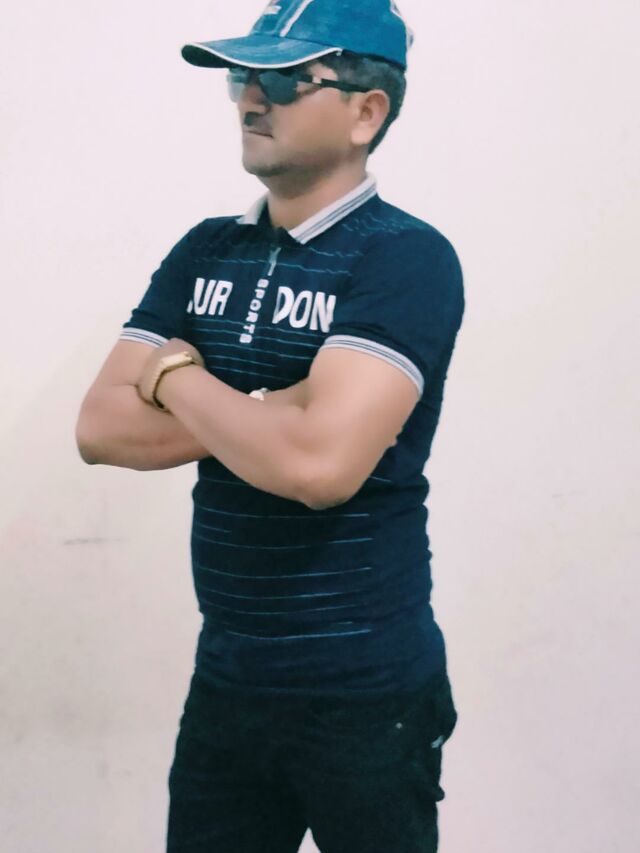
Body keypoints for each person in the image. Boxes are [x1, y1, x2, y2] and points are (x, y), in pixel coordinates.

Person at [75, 1, 464, 850]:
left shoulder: (404, 257)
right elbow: (99, 425)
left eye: (285, 81)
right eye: (242, 78)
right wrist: (275, 412)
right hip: (228, 679)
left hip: (366, 690)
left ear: (367, 111)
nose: (252, 98)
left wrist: (173, 374)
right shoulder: (206, 249)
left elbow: (320, 469)